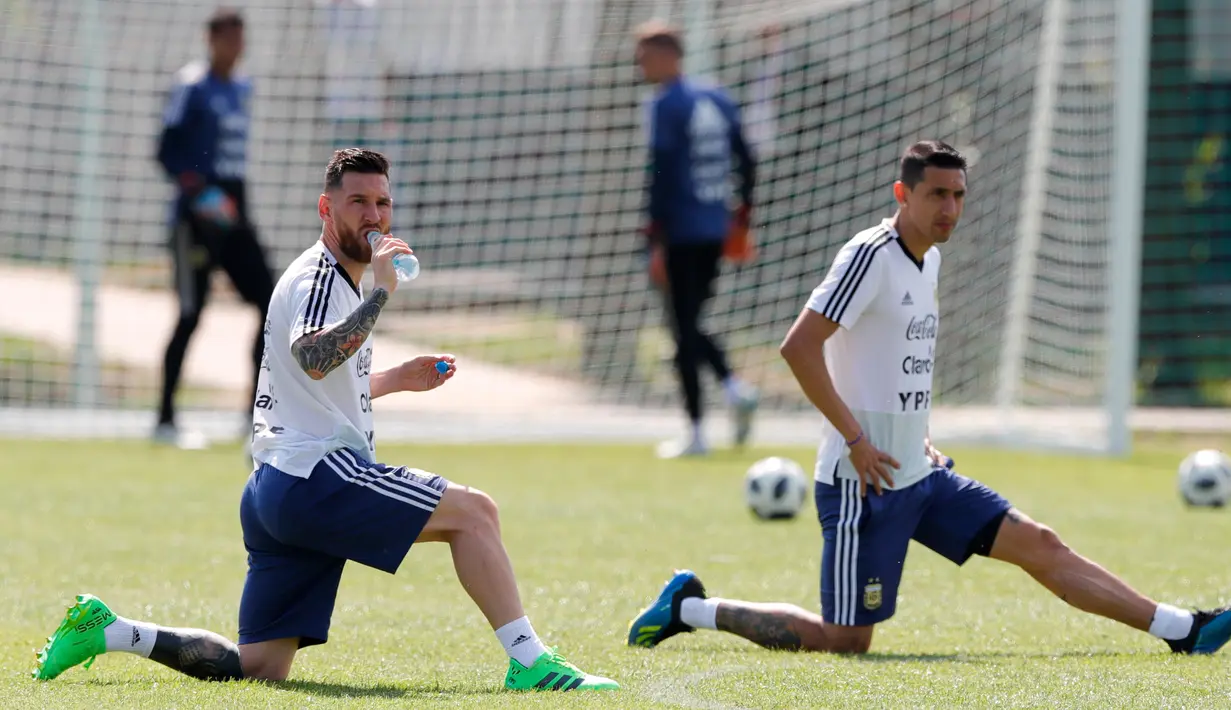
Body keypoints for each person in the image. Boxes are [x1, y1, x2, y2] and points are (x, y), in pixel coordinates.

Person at [32, 149, 619, 693]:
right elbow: (314, 356)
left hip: (274, 490)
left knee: (259, 667)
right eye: (358, 202)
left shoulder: (339, 280)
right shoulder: (321, 277)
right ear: (326, 207)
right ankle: (531, 662)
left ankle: (111, 631)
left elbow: (313, 379)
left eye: (382, 203)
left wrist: (394, 380)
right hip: (317, 477)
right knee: (476, 513)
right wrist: (381, 295)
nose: (373, 215)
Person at [626, 140, 1231, 656]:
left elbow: (895, 365)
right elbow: (799, 348)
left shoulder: (930, 261)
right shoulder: (868, 257)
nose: (950, 208)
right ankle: (690, 609)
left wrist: (918, 438)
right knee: (845, 641)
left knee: (1040, 544)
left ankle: (1183, 630)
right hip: (862, 482)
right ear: (902, 194)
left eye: (958, 195)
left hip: (918, 471)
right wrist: (858, 442)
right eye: (937, 195)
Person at [635, 20, 760, 459]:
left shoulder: (665, 103)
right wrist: (742, 217)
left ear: (670, 55)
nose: (640, 64)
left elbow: (661, 171)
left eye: (645, 55)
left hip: (681, 233)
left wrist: (653, 237)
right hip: (715, 229)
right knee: (689, 324)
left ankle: (697, 430)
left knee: (681, 329)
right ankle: (733, 388)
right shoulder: (718, 96)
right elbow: (747, 158)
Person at [154, 7, 275, 449]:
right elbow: (166, 151)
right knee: (190, 313)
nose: (238, 48)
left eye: (242, 39)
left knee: (270, 301)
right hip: (197, 219)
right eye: (230, 39)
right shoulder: (192, 87)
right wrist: (200, 192)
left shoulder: (244, 87)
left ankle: (255, 416)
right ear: (212, 40)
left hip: (234, 214)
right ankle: (165, 419)